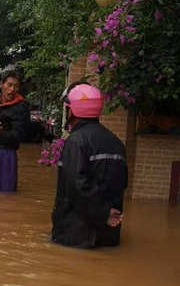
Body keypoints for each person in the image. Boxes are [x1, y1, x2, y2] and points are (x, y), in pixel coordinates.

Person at [51, 82, 128, 249]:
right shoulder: (116, 143)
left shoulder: (76, 142)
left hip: (76, 235)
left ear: (72, 110)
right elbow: (121, 185)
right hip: (108, 236)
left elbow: (77, 187)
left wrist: (103, 214)